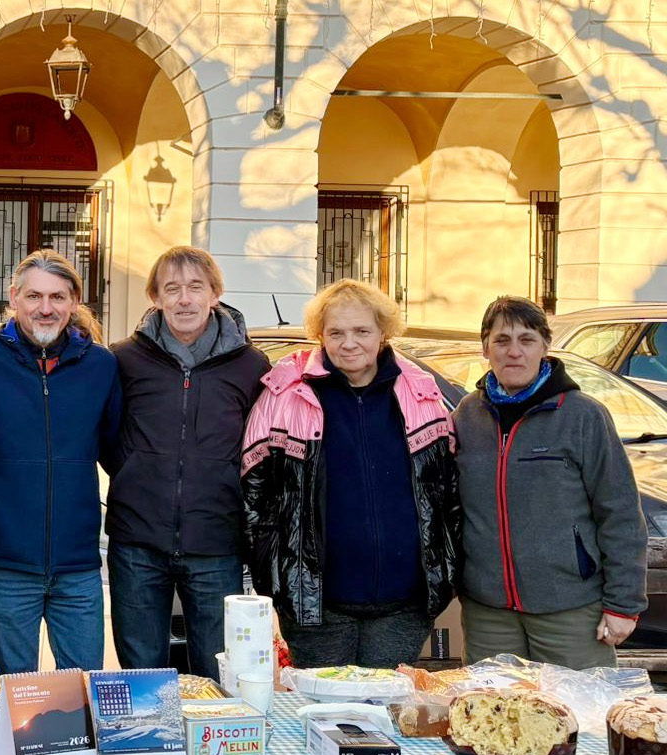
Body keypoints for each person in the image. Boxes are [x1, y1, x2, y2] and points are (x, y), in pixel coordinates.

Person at [241, 279, 459, 669]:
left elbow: (448, 491)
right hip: (317, 605)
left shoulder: (420, 393)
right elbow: (253, 494)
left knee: (384, 702)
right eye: (336, 333)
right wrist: (274, 575)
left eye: (362, 331)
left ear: (383, 332)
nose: (349, 343)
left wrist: (446, 574)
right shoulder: (285, 395)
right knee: (321, 701)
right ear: (320, 336)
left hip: (404, 603)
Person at [455, 295, 646, 667]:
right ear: (485, 348)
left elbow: (619, 511)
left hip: (569, 607)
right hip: (488, 613)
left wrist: (623, 604)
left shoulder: (583, 415)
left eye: (526, 340)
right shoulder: (467, 415)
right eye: (502, 340)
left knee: (580, 703)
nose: (514, 352)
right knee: (490, 704)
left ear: (545, 345)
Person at [105, 247, 268, 677]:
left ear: (215, 294)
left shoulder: (250, 365)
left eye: (195, 287)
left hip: (216, 541)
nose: (184, 299)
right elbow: (106, 435)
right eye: (171, 288)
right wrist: (134, 473)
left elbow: (259, 447)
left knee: (218, 670)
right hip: (137, 540)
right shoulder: (124, 359)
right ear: (155, 297)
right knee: (141, 673)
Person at [0, 250, 120, 674]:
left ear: (74, 302)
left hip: (78, 564)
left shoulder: (101, 366)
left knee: (84, 685)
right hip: (6, 562)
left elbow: (118, 453)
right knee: (17, 690)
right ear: (13, 297)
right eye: (34, 296)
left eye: (57, 297)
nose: (45, 308)